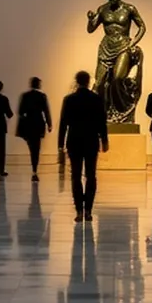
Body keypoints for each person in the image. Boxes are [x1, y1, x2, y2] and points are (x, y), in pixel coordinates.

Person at [59, 71, 109, 223]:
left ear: (77, 81)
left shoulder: (69, 100)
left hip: (74, 141)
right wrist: (105, 140)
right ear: (88, 82)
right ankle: (88, 210)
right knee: (90, 175)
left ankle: (79, 210)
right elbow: (102, 122)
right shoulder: (96, 99)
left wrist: (60, 144)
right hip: (91, 141)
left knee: (75, 176)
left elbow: (63, 124)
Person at [16, 76, 54, 182]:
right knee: (36, 149)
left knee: (32, 146)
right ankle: (34, 170)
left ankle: (34, 168)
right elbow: (46, 111)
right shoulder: (42, 96)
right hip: (38, 124)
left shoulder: (25, 96)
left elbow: (20, 112)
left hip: (28, 125)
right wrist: (49, 124)